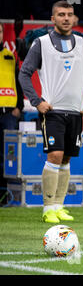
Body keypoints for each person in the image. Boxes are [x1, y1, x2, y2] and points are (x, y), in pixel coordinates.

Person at [19, 1, 83, 223]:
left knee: (67, 159)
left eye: (69, 15)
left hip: (75, 112)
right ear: (52, 19)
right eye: (61, 14)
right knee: (54, 155)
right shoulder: (41, 43)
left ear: (74, 19)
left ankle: (59, 205)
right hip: (53, 111)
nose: (66, 18)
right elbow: (24, 73)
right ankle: (47, 208)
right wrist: (37, 101)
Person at [0, 23, 24, 203]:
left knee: (8, 156)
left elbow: (19, 81)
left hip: (8, 114)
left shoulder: (9, 55)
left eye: (0, 31)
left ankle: (6, 196)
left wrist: (19, 106)